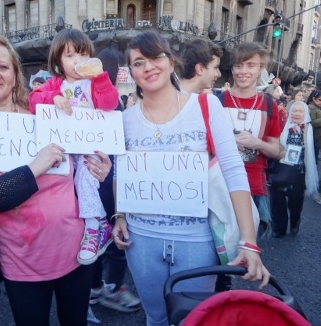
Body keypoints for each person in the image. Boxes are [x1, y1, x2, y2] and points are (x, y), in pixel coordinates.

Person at [0, 34, 112, 326]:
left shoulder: (46, 115)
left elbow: (85, 169)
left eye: (2, 66)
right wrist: (33, 169)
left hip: (76, 253)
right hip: (22, 264)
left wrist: (101, 173)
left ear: (14, 75)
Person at [112, 31, 269, 326]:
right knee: (155, 318)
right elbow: (122, 171)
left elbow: (234, 170)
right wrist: (119, 214)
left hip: (197, 241)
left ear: (171, 63)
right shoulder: (125, 120)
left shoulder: (207, 108)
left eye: (156, 57)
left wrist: (249, 241)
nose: (149, 67)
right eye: (138, 62)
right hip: (141, 240)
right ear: (131, 72)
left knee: (194, 321)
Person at [28, 28, 119, 265]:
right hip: (65, 150)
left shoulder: (94, 83)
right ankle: (97, 224)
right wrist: (52, 98)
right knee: (65, 190)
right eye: (70, 56)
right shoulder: (55, 84)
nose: (77, 60)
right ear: (58, 60)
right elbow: (33, 100)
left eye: (82, 54)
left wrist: (100, 77)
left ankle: (93, 227)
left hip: (92, 147)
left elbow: (110, 103)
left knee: (86, 179)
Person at [88, 47, 141, 317]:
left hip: (86, 180)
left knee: (93, 235)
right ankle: (115, 287)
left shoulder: (82, 100)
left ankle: (96, 286)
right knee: (118, 234)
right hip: (110, 180)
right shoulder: (114, 106)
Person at [219, 42, 281, 241]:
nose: (243, 71)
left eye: (250, 65)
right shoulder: (217, 101)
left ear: (260, 69)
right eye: (238, 65)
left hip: (253, 188)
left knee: (247, 248)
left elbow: (278, 151)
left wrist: (258, 144)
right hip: (219, 186)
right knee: (219, 248)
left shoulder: (269, 105)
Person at [269, 101, 318, 237]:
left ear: (305, 114)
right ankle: (279, 228)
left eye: (300, 111)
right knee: (277, 200)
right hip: (282, 169)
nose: (297, 114)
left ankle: (295, 221)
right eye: (294, 111)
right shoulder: (283, 126)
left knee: (295, 201)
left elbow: (313, 150)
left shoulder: (308, 128)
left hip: (299, 171)